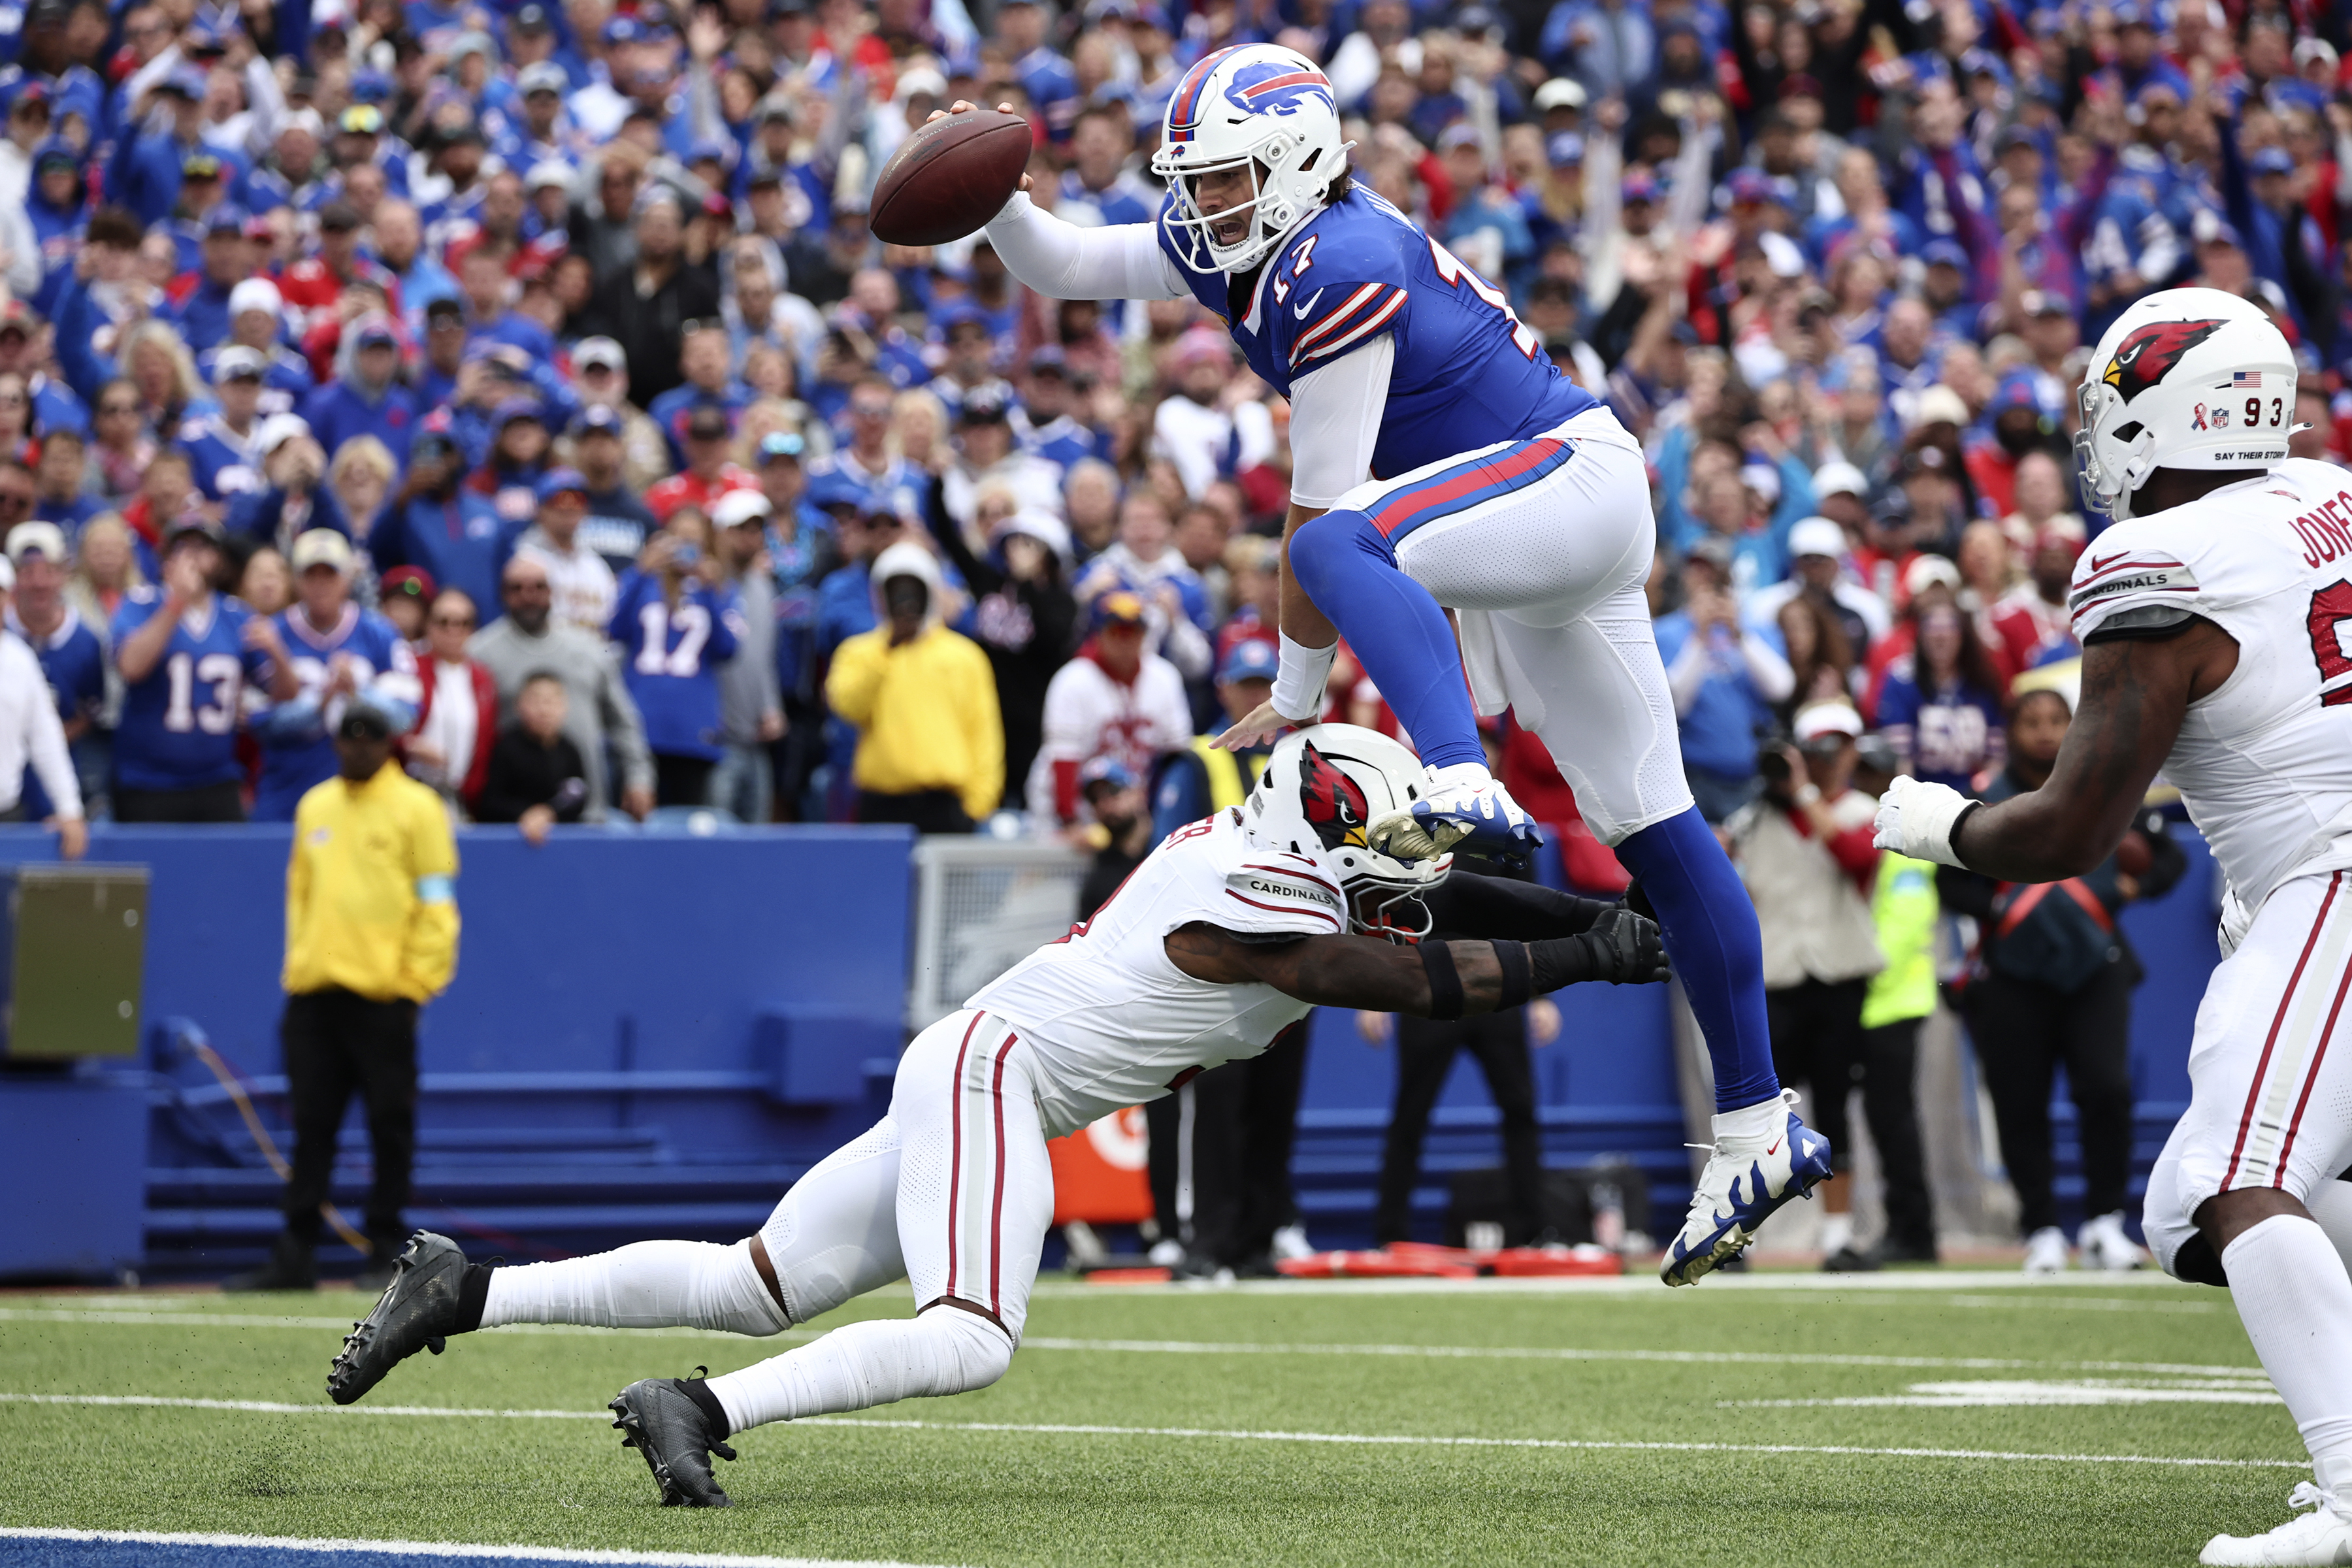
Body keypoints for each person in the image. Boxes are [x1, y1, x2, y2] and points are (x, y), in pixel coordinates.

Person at [943, 61, 1825, 1282]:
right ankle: (1754, 1124)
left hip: (1565, 478)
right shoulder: (1247, 240)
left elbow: (1328, 514)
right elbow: (1069, 262)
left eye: (1227, 177)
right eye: (1192, 182)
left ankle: (1457, 769)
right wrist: (990, 197)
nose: (1205, 205)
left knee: (1337, 537)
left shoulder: (1335, 261)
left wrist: (1303, 697)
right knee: (1659, 836)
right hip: (1529, 528)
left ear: (1303, 161)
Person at [325, 724, 1671, 1507]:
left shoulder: (1270, 852)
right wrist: (1586, 959)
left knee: (758, 1280)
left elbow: (1451, 910)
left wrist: (1606, 920)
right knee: (969, 1336)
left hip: (977, 1062)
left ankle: (466, 1290)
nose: (1414, 866)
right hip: (997, 1079)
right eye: (1396, 840)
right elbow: (1389, 972)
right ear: (1327, 831)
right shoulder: (1272, 904)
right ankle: (697, 1408)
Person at [1874, 289, 2352, 1563]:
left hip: (2334, 877)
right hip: (2313, 876)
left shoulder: (2161, 562)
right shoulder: (2328, 497)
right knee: (2177, 1208)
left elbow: (2075, 829)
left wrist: (1937, 824)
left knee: (2234, 1181)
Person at [1935, 683, 2182, 1275]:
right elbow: (1947, 878)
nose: (2045, 731)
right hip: (2011, 975)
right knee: (2021, 1104)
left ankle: (2103, 1224)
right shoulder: (1980, 800)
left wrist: (2133, 886)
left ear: (2075, 727)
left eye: (2056, 720)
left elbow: (2167, 859)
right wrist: (1994, 908)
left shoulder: (2109, 790)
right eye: (2031, 721)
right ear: (2010, 732)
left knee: (2107, 1090)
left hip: (2096, 968)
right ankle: (2041, 1227)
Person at [226, 693, 457, 1294]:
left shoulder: (418, 807)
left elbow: (437, 903)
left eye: (370, 739)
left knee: (390, 1124)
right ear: (335, 743)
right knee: (311, 1125)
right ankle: (296, 1250)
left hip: (384, 997)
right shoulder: (316, 805)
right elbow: (299, 893)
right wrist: (297, 965)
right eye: (348, 739)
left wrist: (416, 983)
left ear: (389, 745)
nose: (358, 747)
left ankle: (386, 1247)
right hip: (315, 995)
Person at [1725, 701, 1885, 1270]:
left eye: (1838, 748)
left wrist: (1803, 795)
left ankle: (1839, 1237)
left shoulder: (1865, 809)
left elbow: (1852, 857)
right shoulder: (1756, 816)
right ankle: (1738, 1235)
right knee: (1761, 1113)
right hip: (1776, 978)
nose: (1827, 760)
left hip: (1838, 975)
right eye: (1816, 749)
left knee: (1836, 1106)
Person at [110, 517, 295, 821]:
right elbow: (131, 667)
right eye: (182, 547)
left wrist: (277, 651)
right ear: (166, 558)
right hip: (148, 781)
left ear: (219, 559)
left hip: (216, 779)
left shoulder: (236, 616)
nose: (193, 556)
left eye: (203, 548)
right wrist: (176, 603)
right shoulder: (141, 604)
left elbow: (285, 695)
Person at [824, 540, 1002, 833]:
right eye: (895, 591)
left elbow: (984, 732)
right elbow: (848, 707)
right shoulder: (859, 652)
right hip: (881, 801)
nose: (905, 600)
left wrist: (978, 805)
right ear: (880, 596)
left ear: (930, 592)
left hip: (945, 803)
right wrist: (888, 650)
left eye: (913, 589)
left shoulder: (964, 656)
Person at [252, 529, 421, 821]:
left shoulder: (379, 634)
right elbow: (257, 721)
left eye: (329, 574)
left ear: (347, 578)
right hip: (288, 791)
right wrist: (322, 701)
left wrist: (359, 692)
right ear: (295, 579)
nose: (320, 585)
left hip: (365, 794)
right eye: (310, 575)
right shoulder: (270, 634)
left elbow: (405, 716)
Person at [470, 554, 655, 821]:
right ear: (502, 594)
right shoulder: (480, 654)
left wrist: (639, 778)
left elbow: (623, 722)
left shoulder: (589, 648)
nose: (529, 596)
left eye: (538, 587)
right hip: (513, 818)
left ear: (553, 592)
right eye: (517, 588)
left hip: (586, 810)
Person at [610, 514, 742, 808]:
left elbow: (728, 649)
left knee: (688, 822)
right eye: (677, 538)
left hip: (693, 728)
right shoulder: (644, 582)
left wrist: (711, 592)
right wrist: (640, 572)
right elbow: (614, 630)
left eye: (693, 540)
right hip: (641, 721)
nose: (684, 548)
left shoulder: (721, 590)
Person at [1030, 590, 1190, 827]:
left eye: (1133, 632)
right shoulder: (1073, 680)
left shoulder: (1164, 677)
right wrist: (1070, 822)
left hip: (1135, 815)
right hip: (1071, 814)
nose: (1125, 641)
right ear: (1099, 635)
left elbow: (1177, 754)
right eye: (1116, 632)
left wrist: (1162, 815)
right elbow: (1063, 758)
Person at [0, 551, 85, 857]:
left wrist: (69, 808)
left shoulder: (20, 659)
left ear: (8, 598)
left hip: (5, 815)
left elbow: (45, 737)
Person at [404, 588, 495, 813]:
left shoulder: (482, 677)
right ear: (428, 625)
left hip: (459, 796)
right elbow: (389, 724)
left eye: (463, 623)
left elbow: (486, 742)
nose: (453, 630)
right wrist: (409, 745)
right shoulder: (408, 665)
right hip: (411, 788)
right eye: (443, 622)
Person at [474, 670, 588, 843]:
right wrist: (524, 814)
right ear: (519, 705)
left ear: (564, 706)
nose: (544, 711)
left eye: (551, 702)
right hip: (508, 840)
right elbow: (491, 801)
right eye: (535, 702)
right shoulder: (506, 747)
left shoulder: (570, 749)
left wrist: (549, 813)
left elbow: (578, 795)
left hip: (561, 841)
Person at [512, 466, 618, 636]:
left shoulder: (595, 565)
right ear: (541, 511)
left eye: (578, 501)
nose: (569, 508)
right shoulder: (524, 560)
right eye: (558, 502)